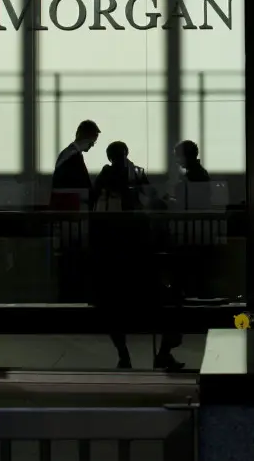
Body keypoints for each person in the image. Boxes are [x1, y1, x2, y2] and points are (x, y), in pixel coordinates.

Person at [90, 141, 184, 370]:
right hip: (141, 276)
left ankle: (124, 356)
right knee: (174, 305)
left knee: (113, 310)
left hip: (117, 275)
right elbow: (155, 202)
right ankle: (162, 354)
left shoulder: (105, 190)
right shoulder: (139, 210)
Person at [51, 119, 100, 206]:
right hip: (69, 203)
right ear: (84, 136)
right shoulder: (73, 156)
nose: (92, 145)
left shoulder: (68, 154)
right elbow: (79, 182)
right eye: (92, 141)